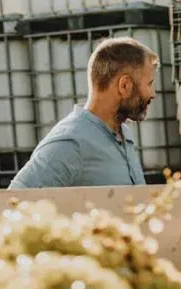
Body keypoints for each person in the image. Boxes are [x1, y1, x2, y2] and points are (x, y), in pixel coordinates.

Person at [8, 37, 156, 189]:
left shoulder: (123, 133)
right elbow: (14, 202)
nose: (153, 94)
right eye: (149, 84)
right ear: (124, 85)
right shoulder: (71, 142)